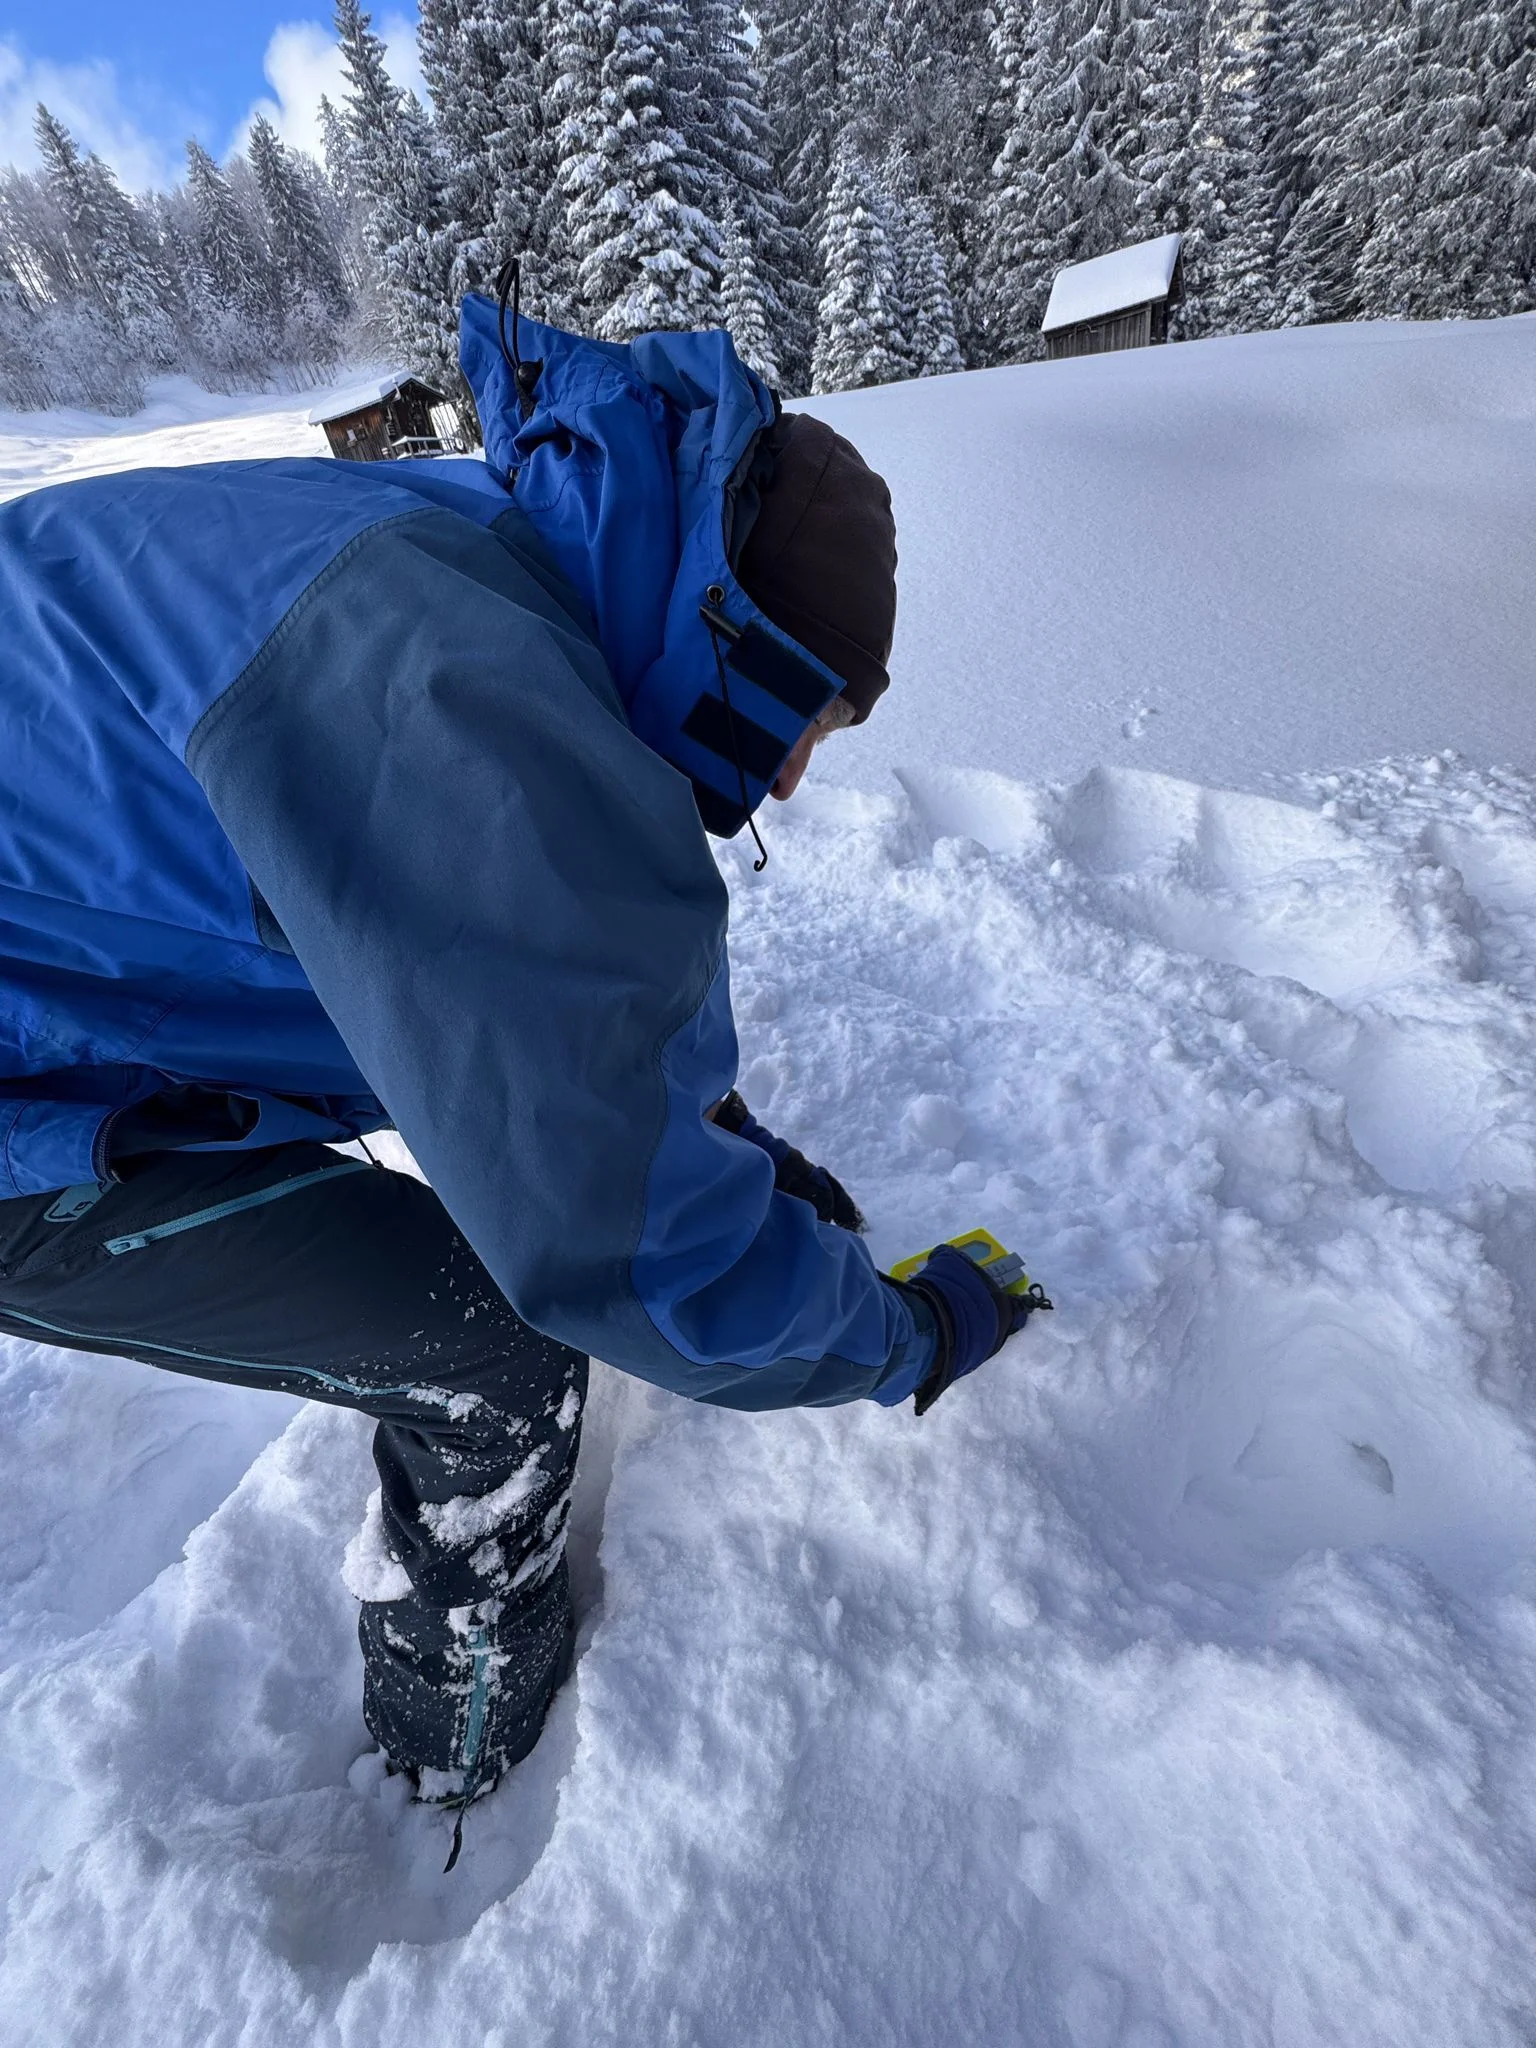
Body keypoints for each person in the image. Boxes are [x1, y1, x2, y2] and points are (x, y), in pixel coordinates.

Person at [0, 297, 1033, 1839]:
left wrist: (712, 1130)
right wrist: (901, 1337)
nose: (797, 775)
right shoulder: (461, 700)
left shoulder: (495, 551)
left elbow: (520, 993)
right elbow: (638, 1259)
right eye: (807, 723)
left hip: (71, 978)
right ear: (735, 641)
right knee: (490, 1348)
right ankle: (451, 1750)